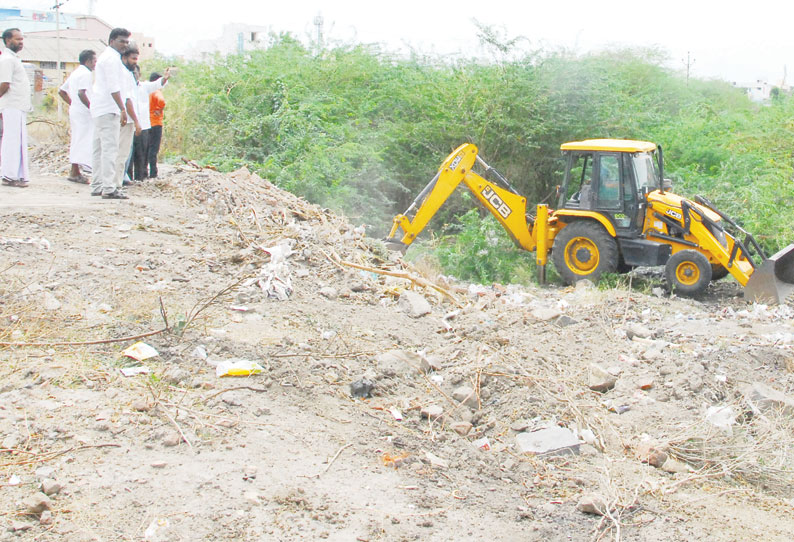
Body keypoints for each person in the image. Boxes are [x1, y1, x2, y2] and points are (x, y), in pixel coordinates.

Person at [90, 27, 130, 200]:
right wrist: (122, 108)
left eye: (127, 42)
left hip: (100, 107)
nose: (125, 45)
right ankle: (109, 187)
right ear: (112, 40)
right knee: (110, 149)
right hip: (108, 108)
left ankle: (97, 185)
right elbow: (114, 87)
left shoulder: (107, 57)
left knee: (98, 148)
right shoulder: (112, 59)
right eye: (122, 41)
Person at [58, 49, 96, 183]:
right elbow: (82, 93)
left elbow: (61, 91)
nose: (95, 64)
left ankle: (75, 170)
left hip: (76, 110)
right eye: (94, 61)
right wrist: (92, 108)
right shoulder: (85, 73)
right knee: (83, 139)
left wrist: (72, 104)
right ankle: (78, 170)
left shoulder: (75, 73)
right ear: (89, 61)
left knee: (77, 139)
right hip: (84, 112)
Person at [0, 28, 32, 187]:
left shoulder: (13, 59)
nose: (21, 42)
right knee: (11, 141)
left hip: (17, 106)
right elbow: (5, 84)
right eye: (17, 39)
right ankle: (9, 176)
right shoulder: (7, 59)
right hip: (12, 105)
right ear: (7, 41)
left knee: (16, 141)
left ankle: (14, 175)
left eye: (22, 39)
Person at [127, 64, 169, 181]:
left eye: (135, 73)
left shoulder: (144, 87)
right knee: (128, 154)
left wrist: (165, 78)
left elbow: (157, 84)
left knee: (142, 153)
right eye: (131, 73)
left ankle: (140, 178)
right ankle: (128, 178)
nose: (133, 75)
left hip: (144, 125)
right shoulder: (126, 88)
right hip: (130, 125)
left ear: (139, 74)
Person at [113, 45, 141, 191]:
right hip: (127, 119)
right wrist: (136, 121)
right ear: (124, 58)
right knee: (121, 153)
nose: (135, 62)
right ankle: (115, 184)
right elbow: (127, 100)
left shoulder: (126, 74)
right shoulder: (125, 74)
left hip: (125, 117)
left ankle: (115, 183)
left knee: (120, 153)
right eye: (133, 58)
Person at [147, 72, 166, 178]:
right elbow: (162, 101)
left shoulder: (147, 91)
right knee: (154, 149)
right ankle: (153, 173)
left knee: (147, 148)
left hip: (147, 122)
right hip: (156, 122)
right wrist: (160, 109)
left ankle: (143, 172)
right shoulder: (156, 91)